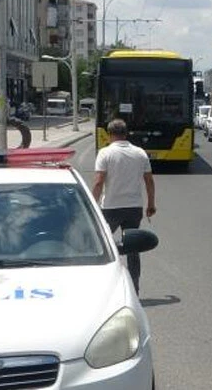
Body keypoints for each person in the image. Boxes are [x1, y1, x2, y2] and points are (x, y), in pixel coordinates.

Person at [91, 119, 156, 295]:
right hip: (134, 208)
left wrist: (91, 205)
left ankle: (104, 288)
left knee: (101, 246)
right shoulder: (140, 153)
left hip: (110, 207)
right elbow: (149, 180)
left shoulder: (105, 153)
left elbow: (98, 182)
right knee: (133, 249)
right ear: (126, 134)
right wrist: (151, 204)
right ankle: (134, 289)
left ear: (109, 134)